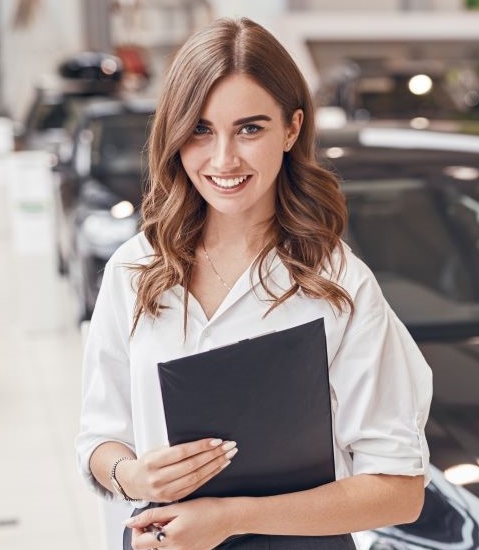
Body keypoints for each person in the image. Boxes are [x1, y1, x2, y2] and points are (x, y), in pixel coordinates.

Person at [76, 17, 432, 550]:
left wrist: (231, 516)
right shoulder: (134, 270)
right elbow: (99, 438)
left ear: (291, 129)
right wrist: (132, 476)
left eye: (249, 128)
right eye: (200, 129)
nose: (223, 160)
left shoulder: (338, 285)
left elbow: (400, 490)